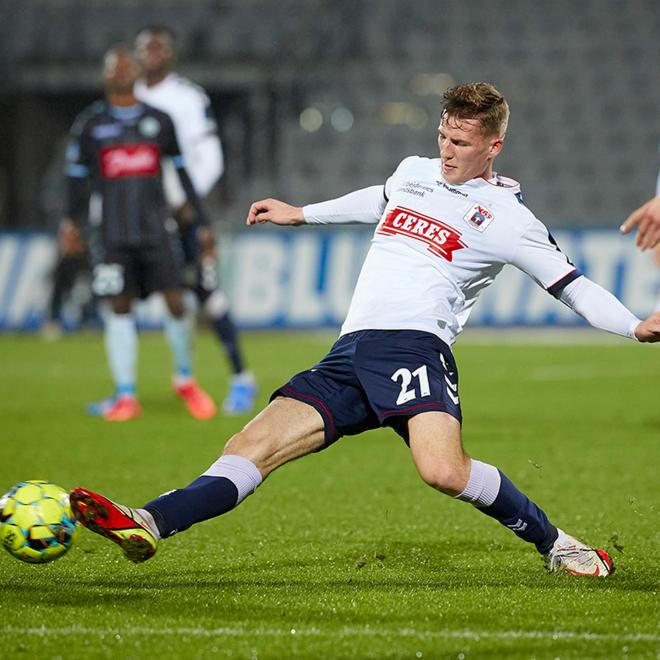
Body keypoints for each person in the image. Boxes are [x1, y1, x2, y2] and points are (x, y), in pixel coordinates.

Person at [69, 82, 660, 575]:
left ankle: (558, 545)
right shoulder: (415, 173)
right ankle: (147, 521)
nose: (446, 150)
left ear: (494, 145)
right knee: (248, 447)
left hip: (413, 347)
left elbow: (573, 286)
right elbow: (377, 199)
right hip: (349, 353)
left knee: (442, 471)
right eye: (442, 137)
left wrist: (634, 326)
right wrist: (302, 213)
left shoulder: (511, 221)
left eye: (460, 142)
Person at [65, 45, 216, 421]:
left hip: (157, 232)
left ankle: (185, 379)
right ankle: (126, 395)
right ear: (104, 75)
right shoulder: (90, 125)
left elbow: (183, 176)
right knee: (118, 305)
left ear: (135, 73)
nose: (120, 71)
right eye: (113, 66)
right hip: (112, 235)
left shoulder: (159, 120)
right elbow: (76, 183)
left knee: (177, 302)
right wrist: (71, 223)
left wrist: (201, 223)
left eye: (125, 65)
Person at [133, 25, 257, 415]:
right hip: (139, 216)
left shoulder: (187, 98)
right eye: (145, 46)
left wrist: (187, 202)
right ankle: (139, 388)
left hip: (181, 213)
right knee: (124, 298)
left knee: (205, 292)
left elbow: (211, 159)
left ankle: (241, 379)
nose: (152, 52)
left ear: (171, 53)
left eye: (159, 46)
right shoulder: (129, 97)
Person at [41, 218, 92, 340]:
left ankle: (87, 321)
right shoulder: (64, 259)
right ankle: (53, 320)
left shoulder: (85, 257)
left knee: (85, 291)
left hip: (81, 266)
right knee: (58, 289)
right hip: (67, 267)